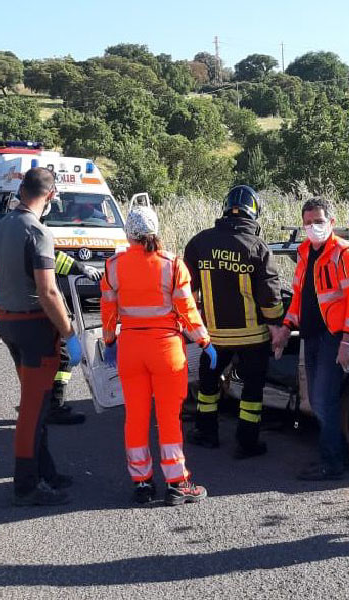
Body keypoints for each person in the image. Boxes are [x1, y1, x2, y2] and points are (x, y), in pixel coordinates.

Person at [100, 206, 215, 506]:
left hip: (131, 348)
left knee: (135, 418)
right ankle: (177, 483)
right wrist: (204, 341)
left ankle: (142, 483)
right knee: (168, 419)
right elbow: (187, 310)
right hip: (165, 349)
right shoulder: (172, 264)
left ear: (129, 233)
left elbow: (108, 310)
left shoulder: (113, 266)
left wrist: (109, 340)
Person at [0, 167, 82, 506]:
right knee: (33, 408)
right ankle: (27, 486)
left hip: (10, 323)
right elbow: (48, 292)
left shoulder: (2, 227)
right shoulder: (37, 232)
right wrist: (68, 332)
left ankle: (46, 472)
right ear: (51, 196)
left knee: (38, 403)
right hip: (34, 328)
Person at [184, 185, 285, 458]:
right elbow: (270, 294)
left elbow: (186, 291)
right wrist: (277, 326)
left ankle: (206, 434)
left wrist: (192, 324)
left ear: (225, 209)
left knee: (208, 386)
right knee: (252, 391)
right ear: (255, 213)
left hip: (214, 338)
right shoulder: (258, 247)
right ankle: (247, 443)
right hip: (254, 338)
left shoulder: (199, 243)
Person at [276, 197, 349, 481]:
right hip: (311, 335)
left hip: (332, 336)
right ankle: (337, 457)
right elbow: (298, 296)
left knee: (324, 400)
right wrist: (285, 325)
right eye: (308, 223)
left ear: (331, 223)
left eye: (318, 221)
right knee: (317, 401)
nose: (313, 227)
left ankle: (332, 463)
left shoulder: (344, 254)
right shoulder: (305, 253)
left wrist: (348, 339)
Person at [48, 250, 102, 426]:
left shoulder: (8, 236)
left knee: (37, 362)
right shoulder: (34, 234)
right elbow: (54, 258)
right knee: (63, 358)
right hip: (47, 312)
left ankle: (42, 407)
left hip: (23, 313)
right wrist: (82, 268)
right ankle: (55, 406)